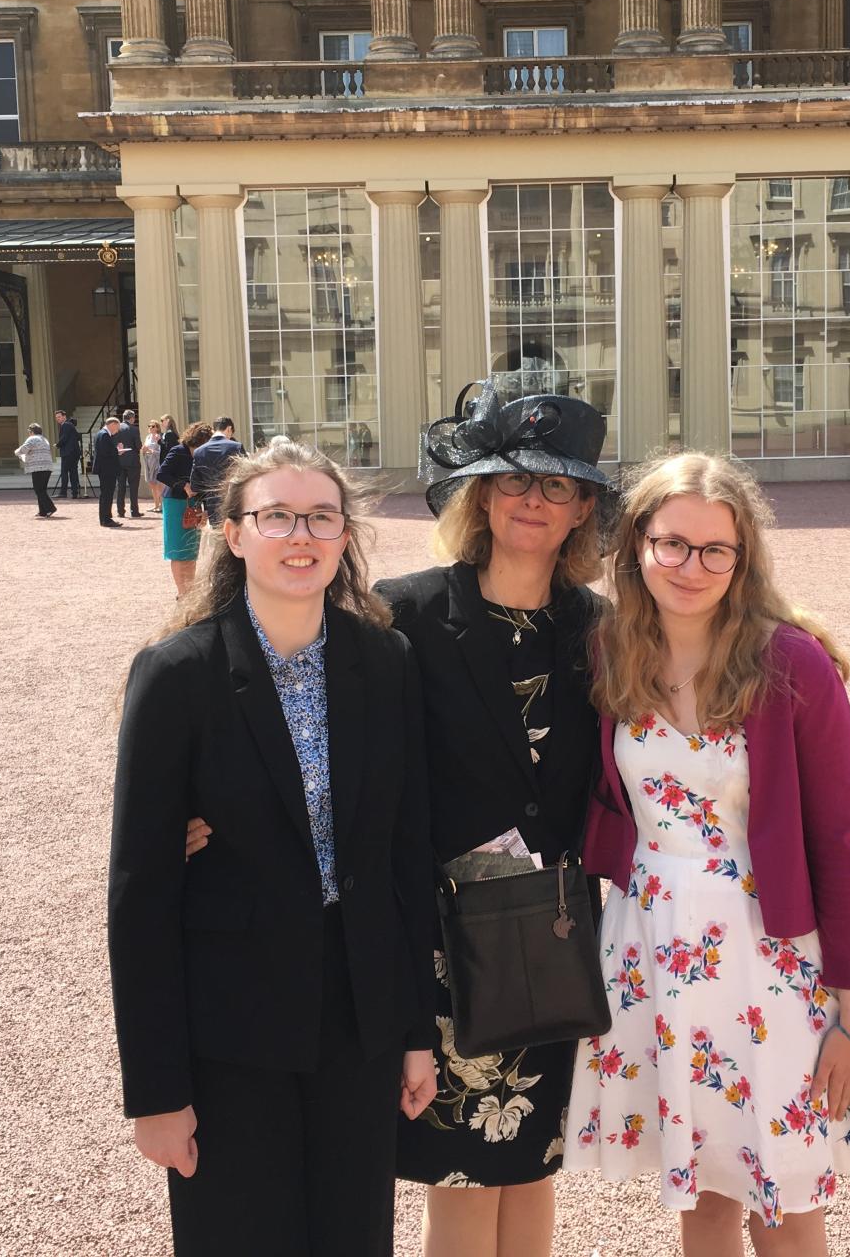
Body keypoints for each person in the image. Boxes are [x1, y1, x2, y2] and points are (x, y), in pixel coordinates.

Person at [565, 452, 850, 1256]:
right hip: (652, 946)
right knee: (705, 1194)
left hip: (769, 954)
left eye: (717, 549)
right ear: (637, 545)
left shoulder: (793, 665)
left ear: (743, 558)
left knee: (782, 1198)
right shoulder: (612, 654)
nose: (692, 566)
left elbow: (837, 845)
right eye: (673, 544)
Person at [109, 438, 438, 1257]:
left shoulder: (386, 661)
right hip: (231, 1031)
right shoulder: (176, 675)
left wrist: (413, 1029)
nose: (302, 536)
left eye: (322, 517)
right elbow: (140, 895)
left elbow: (404, 856)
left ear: (344, 535)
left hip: (356, 1022)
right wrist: (156, 1092)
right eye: (278, 516)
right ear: (234, 533)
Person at [358, 382, 614, 1257]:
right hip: (444, 949)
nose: (533, 500)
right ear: (481, 492)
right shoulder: (407, 611)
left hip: (554, 938)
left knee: (535, 1171)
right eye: (514, 480)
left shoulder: (602, 631)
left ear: (584, 507)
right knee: (463, 1183)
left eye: (556, 486)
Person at [157, 422, 212, 598]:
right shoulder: (178, 451)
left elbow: (206, 484)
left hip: (194, 503)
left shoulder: (203, 456)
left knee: (191, 550)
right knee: (178, 550)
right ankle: (183, 593)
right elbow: (162, 473)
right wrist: (183, 485)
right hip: (175, 502)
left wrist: (206, 510)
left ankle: (190, 591)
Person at [187, 418, 245, 527]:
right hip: (234, 502)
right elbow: (246, 475)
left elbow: (195, 485)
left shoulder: (199, 452)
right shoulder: (236, 447)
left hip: (212, 504)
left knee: (219, 537)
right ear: (229, 429)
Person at [13, 423, 57, 518]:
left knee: (39, 490)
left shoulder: (32, 439)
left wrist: (16, 452)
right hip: (47, 467)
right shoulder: (44, 439)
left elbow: (24, 449)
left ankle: (50, 508)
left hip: (38, 468)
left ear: (32, 432)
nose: (29, 433)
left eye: (29, 431)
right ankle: (43, 511)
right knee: (42, 489)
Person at [92, 416, 124, 528]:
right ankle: (106, 519)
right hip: (107, 469)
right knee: (107, 494)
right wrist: (117, 451)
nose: (118, 430)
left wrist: (115, 450)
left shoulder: (100, 434)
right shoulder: (104, 435)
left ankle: (105, 518)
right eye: (118, 427)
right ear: (113, 424)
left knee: (106, 494)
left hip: (105, 469)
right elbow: (106, 452)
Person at [117, 409, 145, 518]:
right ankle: (134, 510)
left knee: (121, 487)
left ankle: (120, 511)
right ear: (132, 418)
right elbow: (138, 445)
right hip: (132, 461)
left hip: (119, 461)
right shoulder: (134, 429)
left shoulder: (117, 428)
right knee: (133, 487)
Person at [54, 409, 83, 498]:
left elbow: (64, 438)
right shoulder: (70, 425)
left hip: (68, 453)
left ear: (64, 417)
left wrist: (57, 445)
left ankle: (63, 492)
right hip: (74, 453)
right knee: (73, 472)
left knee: (64, 472)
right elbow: (78, 437)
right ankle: (74, 492)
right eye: (56, 417)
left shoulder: (66, 425)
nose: (57, 419)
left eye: (59, 417)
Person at [143, 420, 165, 511]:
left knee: (158, 485)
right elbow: (145, 449)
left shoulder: (159, 437)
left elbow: (162, 451)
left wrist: (152, 451)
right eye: (149, 426)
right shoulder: (148, 437)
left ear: (157, 427)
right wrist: (144, 450)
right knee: (152, 484)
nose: (150, 428)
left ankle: (161, 505)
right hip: (148, 462)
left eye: (152, 426)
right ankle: (156, 505)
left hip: (156, 462)